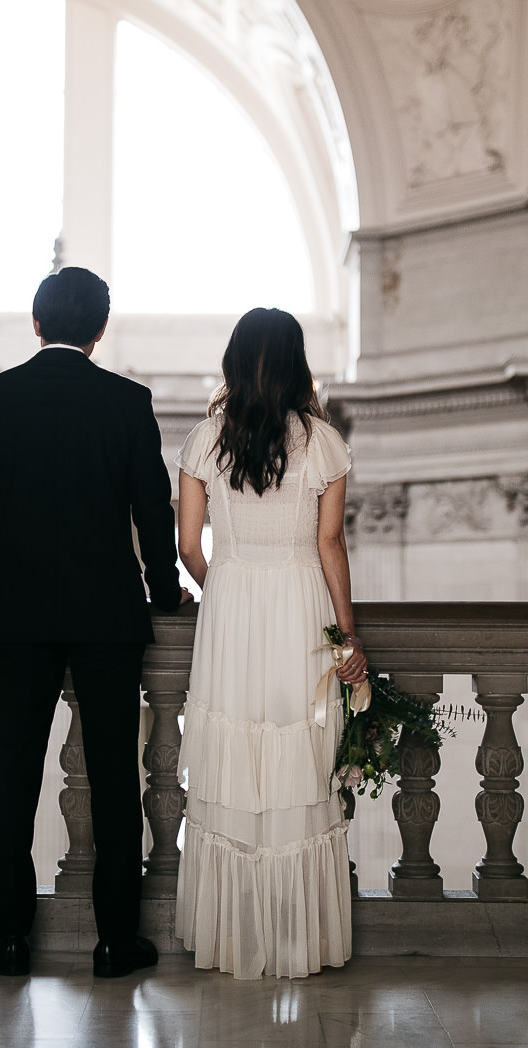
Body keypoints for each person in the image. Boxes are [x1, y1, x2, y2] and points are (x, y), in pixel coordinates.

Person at [0, 266, 190, 979]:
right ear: (99, 329)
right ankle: (116, 941)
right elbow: (154, 508)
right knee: (116, 776)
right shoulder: (127, 401)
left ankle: (11, 940)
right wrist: (163, 587)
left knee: (14, 771)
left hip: (17, 609)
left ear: (36, 322)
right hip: (108, 611)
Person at [173, 307, 367, 979]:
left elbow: (188, 548)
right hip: (299, 602)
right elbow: (329, 543)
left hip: (230, 607)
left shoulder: (203, 441)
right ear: (296, 363)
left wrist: (223, 583)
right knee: (298, 758)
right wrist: (348, 636)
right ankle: (296, 942)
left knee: (234, 758)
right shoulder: (325, 443)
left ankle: (231, 938)